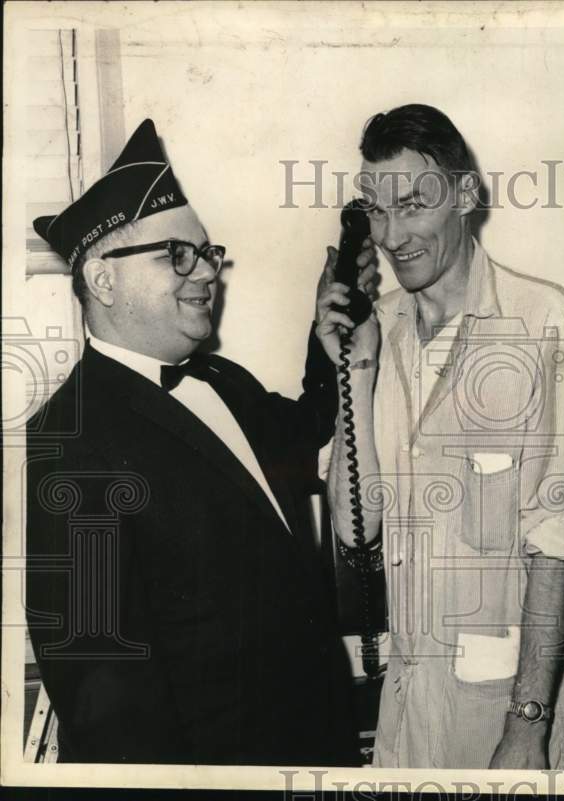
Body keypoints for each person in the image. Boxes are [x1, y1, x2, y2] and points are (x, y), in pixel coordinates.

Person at [26, 119, 361, 765]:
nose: (207, 272)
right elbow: (104, 698)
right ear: (102, 280)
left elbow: (305, 431)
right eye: (176, 254)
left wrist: (325, 338)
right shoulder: (68, 439)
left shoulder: (221, 378)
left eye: (208, 252)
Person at [320, 104, 564, 769]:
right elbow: (356, 530)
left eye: (414, 204)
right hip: (407, 718)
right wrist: (352, 365)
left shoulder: (544, 322)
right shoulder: (378, 331)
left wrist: (528, 726)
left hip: (504, 718)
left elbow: (556, 546)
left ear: (466, 196)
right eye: (377, 211)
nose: (393, 235)